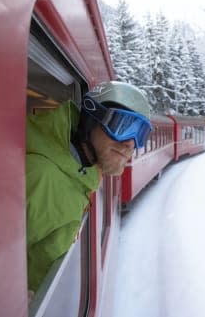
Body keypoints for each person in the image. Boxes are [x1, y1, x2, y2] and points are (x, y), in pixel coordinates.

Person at [25, 81, 152, 293]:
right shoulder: (39, 177)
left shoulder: (81, 174)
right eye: (122, 126)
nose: (130, 143)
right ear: (91, 118)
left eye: (140, 135)